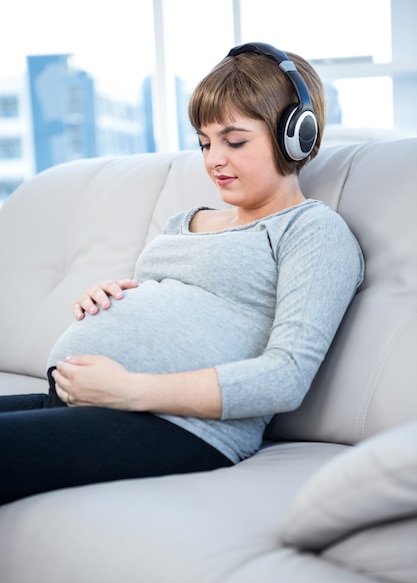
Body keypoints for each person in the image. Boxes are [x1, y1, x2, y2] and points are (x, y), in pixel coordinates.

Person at [0, 43, 364, 505]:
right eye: (205, 142)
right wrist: (108, 298)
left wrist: (129, 388)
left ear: (296, 137)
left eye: (234, 141)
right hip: (83, 400)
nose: (213, 159)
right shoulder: (186, 220)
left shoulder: (311, 230)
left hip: (177, 426)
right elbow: (168, 306)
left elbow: (285, 377)